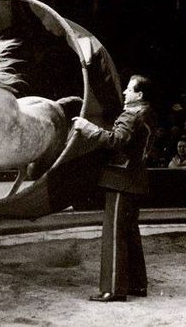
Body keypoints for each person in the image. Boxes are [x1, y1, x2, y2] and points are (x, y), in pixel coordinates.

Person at [73, 74, 155, 302]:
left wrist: (87, 127)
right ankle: (137, 285)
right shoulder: (148, 113)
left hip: (120, 181)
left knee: (115, 236)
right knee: (130, 234)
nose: (125, 93)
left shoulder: (132, 114)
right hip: (136, 181)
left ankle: (113, 289)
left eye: (130, 90)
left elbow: (116, 140)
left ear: (139, 95)